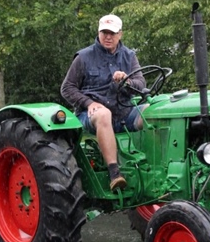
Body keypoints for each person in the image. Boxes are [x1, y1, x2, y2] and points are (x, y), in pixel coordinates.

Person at [60, 14, 147, 191]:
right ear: (98, 32)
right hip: (90, 115)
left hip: (124, 113)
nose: (108, 37)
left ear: (120, 34)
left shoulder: (129, 56)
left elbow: (141, 84)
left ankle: (150, 167)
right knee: (103, 114)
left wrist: (127, 81)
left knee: (152, 113)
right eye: (104, 32)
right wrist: (88, 103)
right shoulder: (84, 57)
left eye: (112, 33)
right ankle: (115, 173)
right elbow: (67, 88)